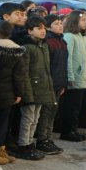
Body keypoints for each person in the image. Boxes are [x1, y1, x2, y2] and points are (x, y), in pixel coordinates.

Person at [0, 21, 26, 165]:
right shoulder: (16, 50)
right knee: (1, 123)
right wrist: (19, 93)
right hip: (7, 93)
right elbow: (19, 75)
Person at [14, 17, 55, 160]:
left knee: (35, 118)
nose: (43, 31)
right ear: (30, 31)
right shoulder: (27, 47)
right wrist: (26, 93)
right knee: (28, 118)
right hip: (30, 89)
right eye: (39, 28)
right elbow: (23, 73)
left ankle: (30, 143)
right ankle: (23, 145)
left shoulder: (43, 46)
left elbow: (46, 71)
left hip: (41, 88)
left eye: (44, 28)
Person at [58, 11, 86, 142]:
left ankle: (73, 130)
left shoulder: (82, 36)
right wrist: (70, 76)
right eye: (83, 20)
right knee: (71, 107)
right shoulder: (70, 37)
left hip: (83, 77)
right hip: (75, 78)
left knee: (78, 107)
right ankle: (67, 131)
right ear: (75, 22)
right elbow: (68, 58)